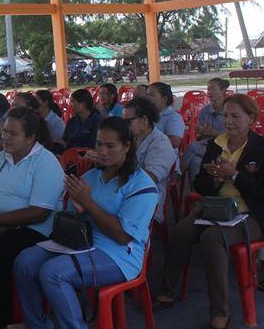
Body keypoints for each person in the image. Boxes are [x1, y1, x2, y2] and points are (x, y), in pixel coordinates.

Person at [13, 117, 159, 329]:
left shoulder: (141, 185)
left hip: (119, 255)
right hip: (81, 243)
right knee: (25, 262)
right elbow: (76, 219)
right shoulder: (91, 176)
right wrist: (78, 209)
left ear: (126, 146)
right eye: (99, 144)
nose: (103, 151)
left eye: (110, 146)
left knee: (53, 273)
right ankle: (37, 325)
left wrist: (88, 203)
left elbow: (122, 236)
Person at [153, 94, 264, 329]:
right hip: (218, 210)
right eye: (225, 116)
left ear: (251, 118)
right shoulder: (216, 145)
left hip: (254, 215)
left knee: (213, 238)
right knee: (181, 230)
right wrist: (214, 179)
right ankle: (168, 291)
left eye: (235, 116)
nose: (229, 121)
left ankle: (220, 313)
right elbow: (200, 186)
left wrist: (235, 176)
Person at [0, 107, 66, 329]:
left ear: (31, 138)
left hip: (35, 231)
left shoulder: (45, 162)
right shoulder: (0, 158)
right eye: (4, 132)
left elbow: (39, 213)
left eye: (13, 134)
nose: (5, 138)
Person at [124, 97, 175, 222]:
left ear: (144, 120)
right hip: (125, 191)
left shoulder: (161, 144)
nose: (124, 126)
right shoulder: (130, 138)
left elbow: (149, 179)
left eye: (128, 122)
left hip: (146, 198)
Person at [181, 77, 229, 181]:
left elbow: (233, 137)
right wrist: (202, 133)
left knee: (193, 147)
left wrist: (213, 133)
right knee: (195, 161)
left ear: (223, 90)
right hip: (207, 147)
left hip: (225, 149)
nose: (210, 92)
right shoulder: (205, 111)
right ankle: (197, 190)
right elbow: (199, 138)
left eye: (213, 89)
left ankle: (178, 175)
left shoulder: (229, 111)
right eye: (208, 90)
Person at [147, 82, 184, 149]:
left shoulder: (173, 117)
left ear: (164, 99)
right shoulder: (147, 115)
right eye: (147, 95)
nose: (148, 99)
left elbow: (174, 142)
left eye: (152, 95)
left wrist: (147, 141)